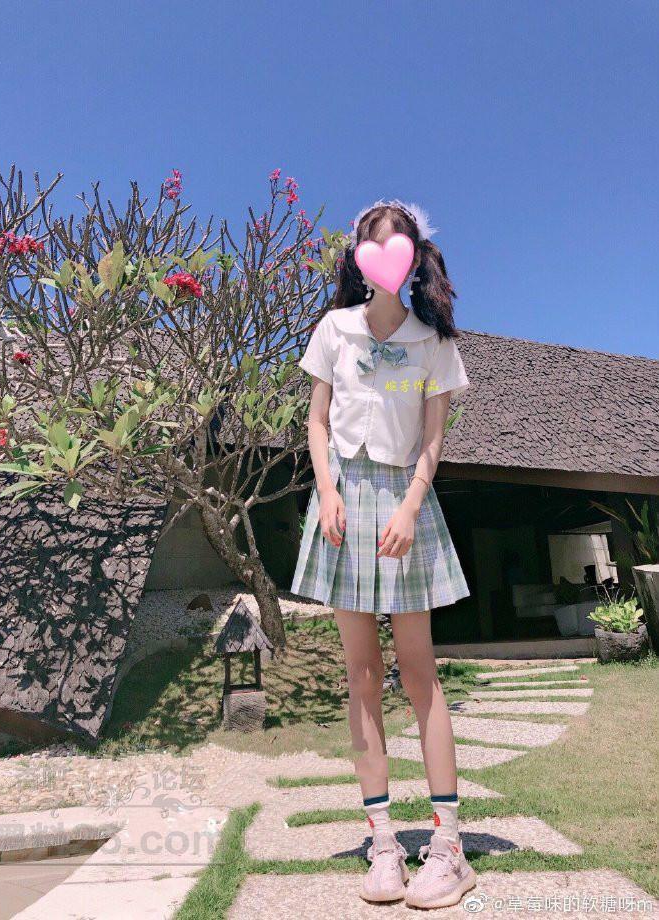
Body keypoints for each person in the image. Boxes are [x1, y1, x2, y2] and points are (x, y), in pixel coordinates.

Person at [290, 199, 477, 910]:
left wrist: (410, 505)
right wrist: (326, 492)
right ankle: (384, 843)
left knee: (420, 673)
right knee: (362, 675)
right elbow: (316, 421)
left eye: (397, 242)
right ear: (359, 258)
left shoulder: (433, 342)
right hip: (344, 502)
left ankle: (450, 847)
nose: (385, 254)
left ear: (414, 255)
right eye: (374, 243)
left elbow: (433, 437)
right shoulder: (334, 328)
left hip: (405, 503)